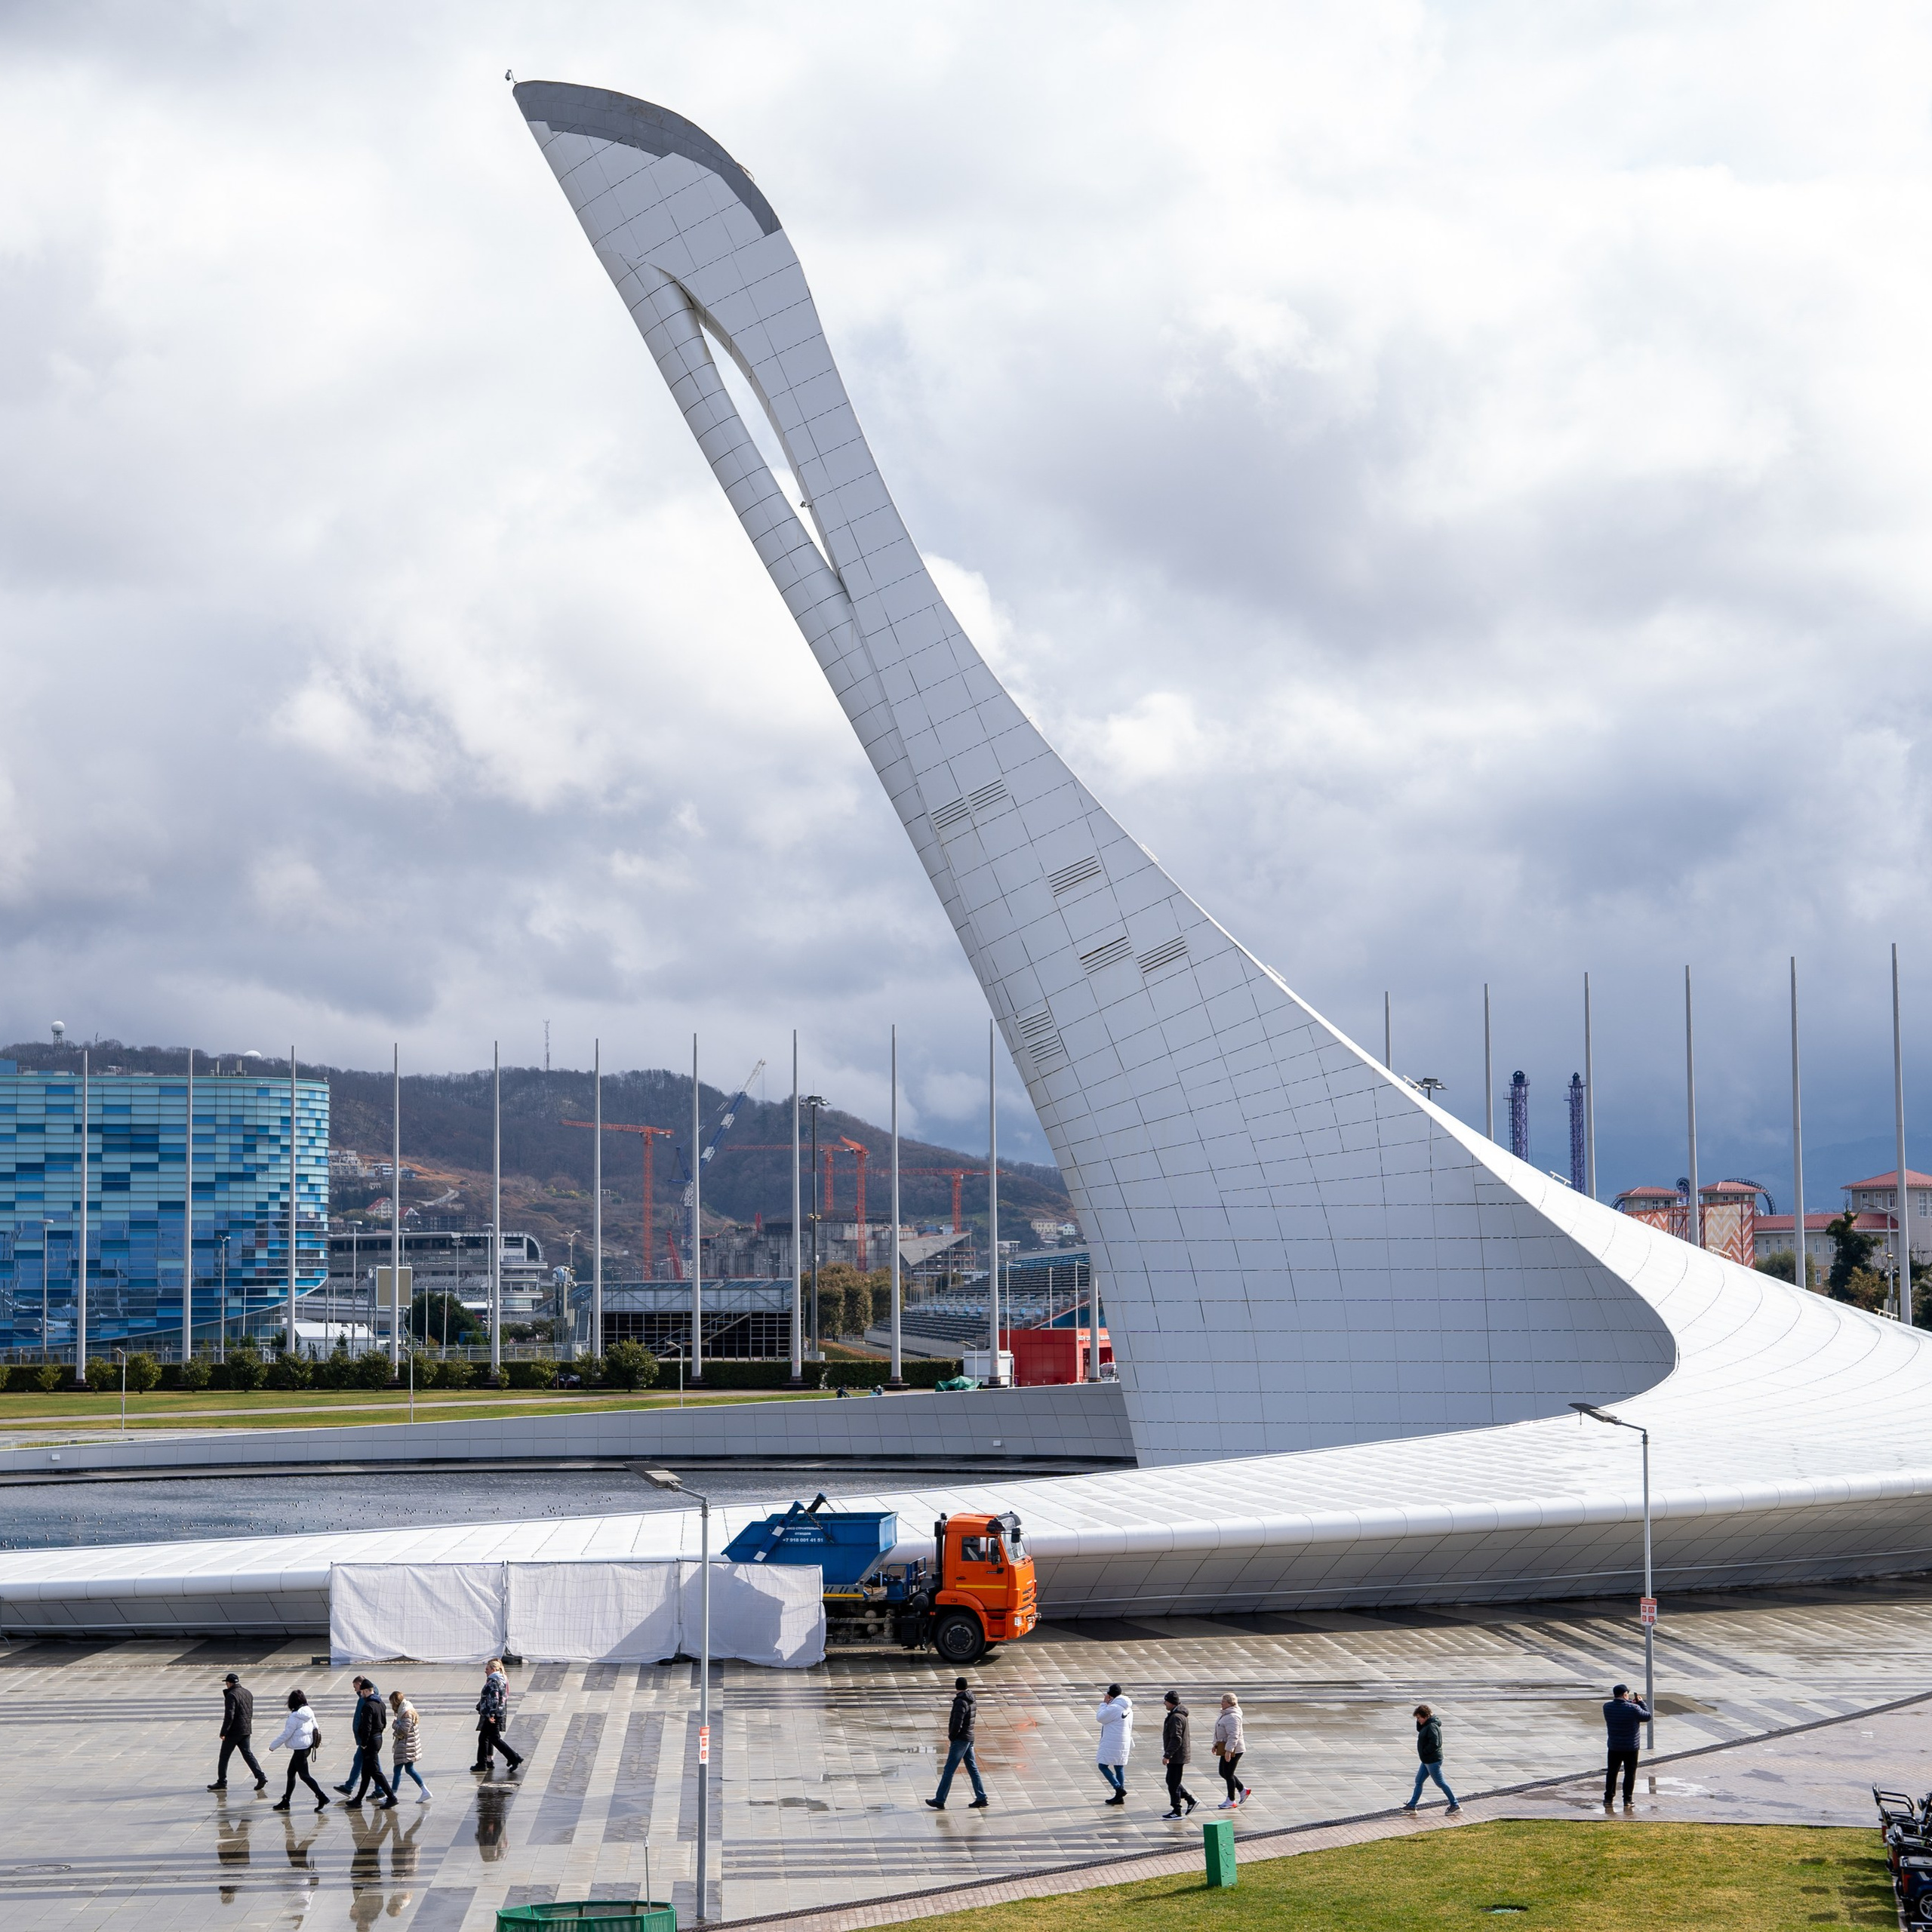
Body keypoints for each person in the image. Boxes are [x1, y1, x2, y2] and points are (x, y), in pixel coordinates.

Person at [924, 1675, 988, 1810]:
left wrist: (952, 1736)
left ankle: (940, 1799)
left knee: (949, 1770)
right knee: (972, 1769)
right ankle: (981, 1797)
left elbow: (957, 1722)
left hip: (961, 1739)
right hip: (969, 1737)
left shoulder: (961, 1701)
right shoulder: (971, 1697)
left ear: (956, 1686)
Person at [267, 1690, 331, 1811]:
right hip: (307, 1747)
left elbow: (287, 1734)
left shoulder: (294, 1717)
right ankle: (286, 1800)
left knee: (304, 1776)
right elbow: (316, 1727)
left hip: (300, 1750)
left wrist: (273, 1746)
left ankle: (322, 1797)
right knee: (291, 1773)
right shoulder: (309, 1711)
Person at [210, 1670, 267, 1793]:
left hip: (234, 1731)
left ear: (229, 1684)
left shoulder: (231, 1695)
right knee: (248, 1754)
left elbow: (229, 1715)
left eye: (226, 1683)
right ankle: (261, 1776)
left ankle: (222, 1781)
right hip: (246, 1730)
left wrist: (224, 1732)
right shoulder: (247, 1692)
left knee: (224, 1756)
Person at [345, 1678, 398, 1807]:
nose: (361, 1694)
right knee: (366, 1772)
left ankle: (391, 1797)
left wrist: (363, 1743)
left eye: (362, 1691)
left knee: (375, 1772)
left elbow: (367, 1727)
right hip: (378, 1738)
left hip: (370, 1741)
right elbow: (384, 1723)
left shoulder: (368, 1706)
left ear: (367, 1691)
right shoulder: (380, 1703)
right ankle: (358, 1800)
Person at [1402, 1704, 1460, 1813]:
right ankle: (1412, 1806)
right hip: (1426, 1760)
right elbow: (1420, 1729)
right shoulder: (1426, 1724)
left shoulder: (1432, 1726)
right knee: (1419, 1781)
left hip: (1432, 1760)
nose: (1418, 1720)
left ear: (1426, 1716)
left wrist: (1425, 1752)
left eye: (1419, 1718)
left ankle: (1455, 1805)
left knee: (1440, 1783)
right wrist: (1419, 1720)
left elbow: (1435, 1743)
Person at [1603, 1682, 1651, 1807]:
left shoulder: (1607, 1707)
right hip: (1631, 1747)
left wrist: (1630, 1703)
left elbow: (1622, 1708)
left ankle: (1608, 1799)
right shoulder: (1634, 1709)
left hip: (1614, 1746)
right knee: (1630, 1773)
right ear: (1625, 1695)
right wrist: (1641, 1703)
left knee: (1612, 1772)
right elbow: (1647, 1716)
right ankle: (1627, 1800)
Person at [474, 1659, 523, 1777]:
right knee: (485, 1738)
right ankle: (483, 1763)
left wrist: (491, 1714)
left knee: (494, 1739)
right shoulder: (499, 1679)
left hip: (493, 1715)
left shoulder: (494, 1681)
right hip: (496, 1713)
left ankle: (514, 1758)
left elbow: (494, 1699)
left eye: (487, 1669)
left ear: (493, 1669)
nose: (485, 1671)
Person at [389, 1689, 431, 1802]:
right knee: (409, 1769)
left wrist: (395, 1725)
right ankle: (425, 1791)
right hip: (408, 1745)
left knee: (397, 1769)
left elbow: (404, 1730)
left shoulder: (406, 1713)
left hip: (406, 1746)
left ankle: (392, 1796)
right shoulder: (406, 1709)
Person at [1094, 1683, 1132, 1805]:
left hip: (1112, 1741)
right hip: (1124, 1741)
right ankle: (1119, 1797)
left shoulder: (1114, 1707)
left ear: (1110, 1696)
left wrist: (1104, 1704)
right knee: (1119, 1767)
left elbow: (1100, 1718)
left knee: (1102, 1766)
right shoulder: (1128, 1708)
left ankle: (1118, 1789)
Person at [1160, 1690, 1195, 1818]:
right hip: (1178, 1755)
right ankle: (1190, 1800)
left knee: (1173, 1783)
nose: (1164, 1703)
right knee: (1172, 1781)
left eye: (1166, 1701)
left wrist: (1168, 1755)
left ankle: (1177, 1810)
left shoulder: (1176, 1717)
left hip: (1177, 1756)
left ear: (1171, 1702)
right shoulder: (1178, 1715)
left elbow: (1176, 1738)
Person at [1212, 1693, 1250, 1807]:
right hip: (1225, 1747)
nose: (1221, 1703)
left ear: (1230, 1703)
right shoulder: (1225, 1713)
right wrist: (1216, 1744)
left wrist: (1229, 1751)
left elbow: (1234, 1735)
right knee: (1223, 1772)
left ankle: (1231, 1800)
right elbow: (1219, 1730)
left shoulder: (1233, 1717)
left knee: (1228, 1774)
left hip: (1234, 1749)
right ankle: (1243, 1790)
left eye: (1223, 1701)